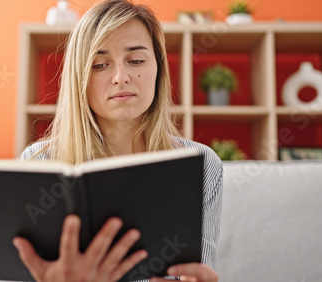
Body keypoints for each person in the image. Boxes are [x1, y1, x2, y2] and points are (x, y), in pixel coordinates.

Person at [14, 0, 223, 281]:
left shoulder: (201, 165)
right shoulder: (38, 163)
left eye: (136, 61)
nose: (121, 78)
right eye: (100, 64)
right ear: (80, 78)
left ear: (158, 69)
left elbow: (200, 267)